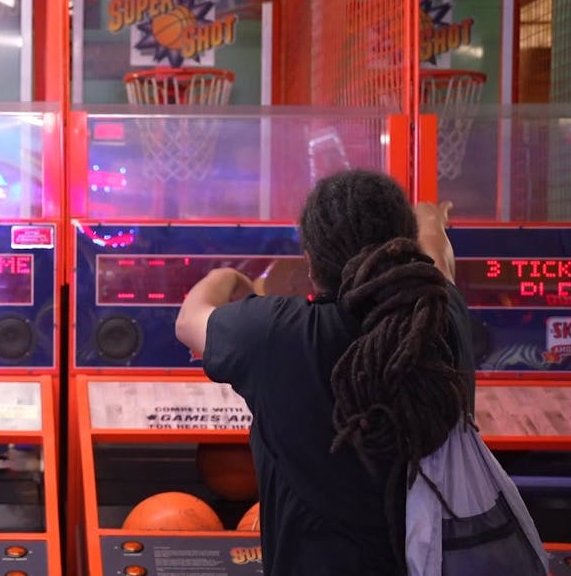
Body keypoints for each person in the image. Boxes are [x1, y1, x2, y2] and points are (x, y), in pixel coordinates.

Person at [175, 170, 475, 575]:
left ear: (311, 262)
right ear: (404, 247)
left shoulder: (277, 333)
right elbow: (438, 258)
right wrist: (429, 219)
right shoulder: (441, 317)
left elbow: (189, 320)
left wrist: (227, 277)